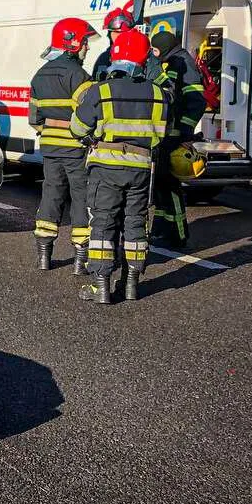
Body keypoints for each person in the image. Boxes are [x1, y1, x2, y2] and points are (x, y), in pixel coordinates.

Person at [70, 28, 171, 304]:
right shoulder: (158, 93)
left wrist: (94, 137)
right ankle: (131, 284)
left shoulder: (100, 91)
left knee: (103, 223)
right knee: (136, 223)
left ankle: (101, 286)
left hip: (106, 167)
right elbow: (163, 133)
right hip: (140, 168)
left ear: (115, 56)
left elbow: (77, 128)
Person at [29, 18, 98, 274]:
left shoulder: (39, 74)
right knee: (80, 197)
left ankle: (44, 256)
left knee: (51, 196)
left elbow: (34, 118)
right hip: (75, 146)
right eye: (85, 42)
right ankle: (80, 260)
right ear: (73, 43)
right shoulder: (79, 75)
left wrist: (48, 133)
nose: (87, 48)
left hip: (49, 147)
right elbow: (92, 112)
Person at [150, 29, 206, 247]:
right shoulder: (172, 60)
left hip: (175, 135)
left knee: (170, 185)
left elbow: (196, 101)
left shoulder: (184, 63)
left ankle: (178, 235)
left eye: (155, 49)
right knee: (162, 185)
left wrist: (185, 132)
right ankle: (163, 229)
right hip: (166, 135)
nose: (154, 54)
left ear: (164, 47)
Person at [92, 7, 135, 80]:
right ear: (109, 34)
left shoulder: (142, 55)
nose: (120, 36)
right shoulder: (104, 59)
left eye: (124, 32)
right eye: (116, 32)